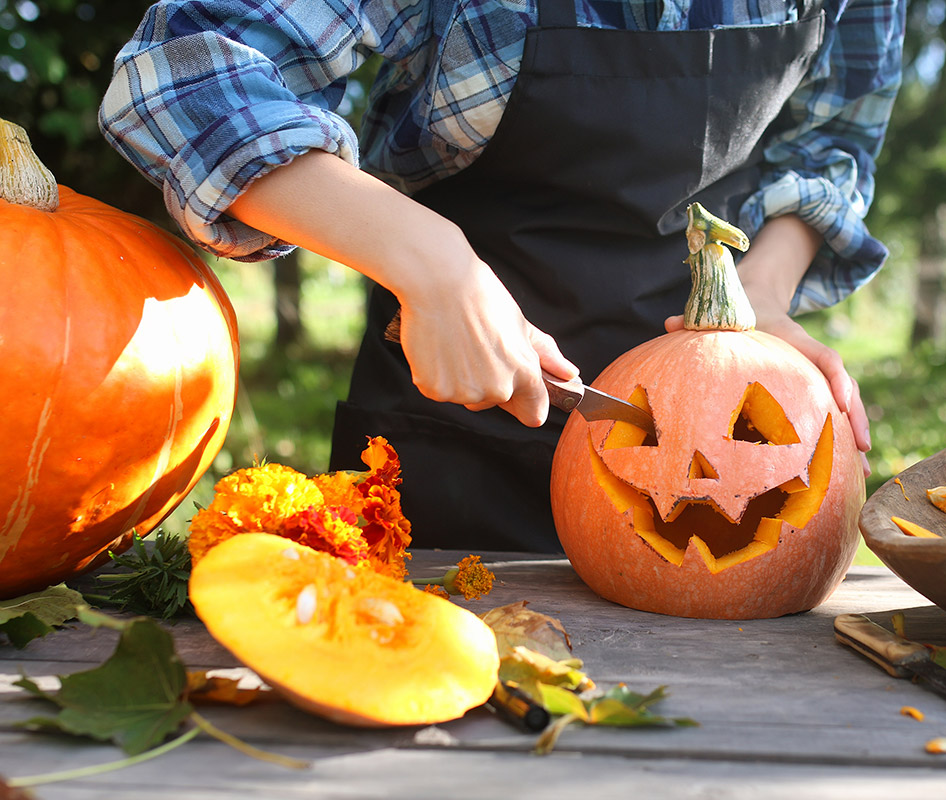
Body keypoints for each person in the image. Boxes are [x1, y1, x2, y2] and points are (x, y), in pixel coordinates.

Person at [100, 0, 905, 553]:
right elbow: (183, 74)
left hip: (718, 387)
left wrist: (760, 294)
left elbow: (833, 137)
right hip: (447, 412)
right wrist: (429, 263)